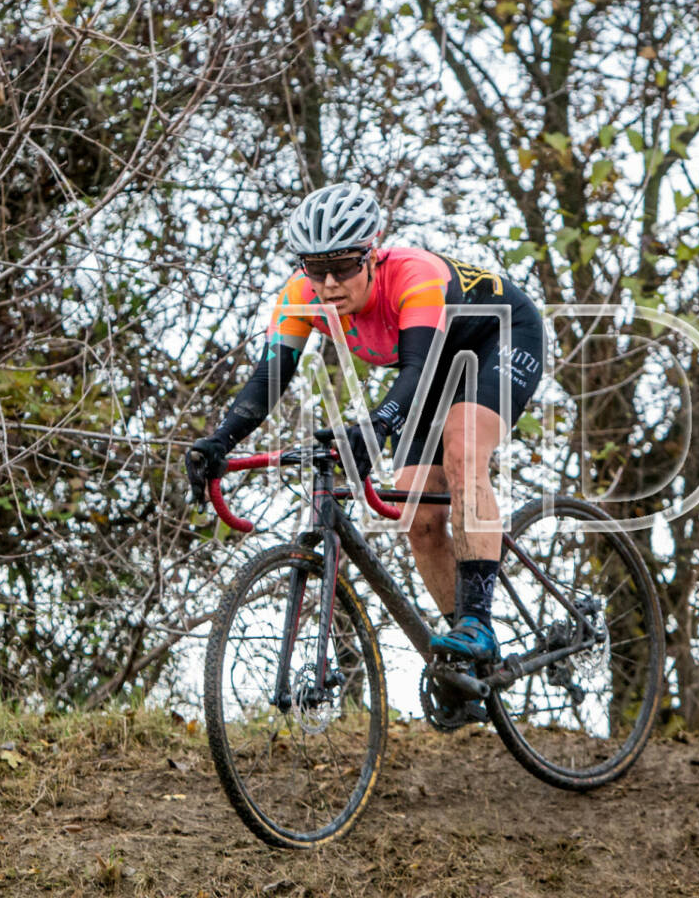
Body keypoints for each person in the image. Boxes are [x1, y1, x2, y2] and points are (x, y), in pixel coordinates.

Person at [185, 182, 545, 668]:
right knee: (418, 516)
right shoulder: (301, 296)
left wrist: (374, 429)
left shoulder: (414, 276)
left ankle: (480, 625)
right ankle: (466, 655)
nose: (330, 284)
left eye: (344, 267)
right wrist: (219, 441)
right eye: (317, 269)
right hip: (433, 365)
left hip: (499, 336)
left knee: (462, 453)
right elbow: (268, 378)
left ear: (372, 256)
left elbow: (416, 370)